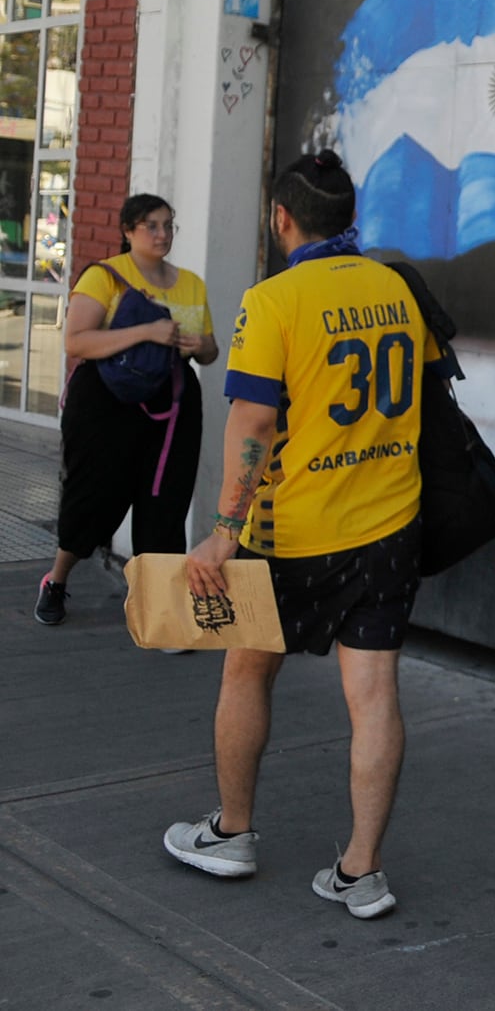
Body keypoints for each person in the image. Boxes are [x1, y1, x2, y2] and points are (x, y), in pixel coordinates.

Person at [162, 151, 446, 923]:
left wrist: (223, 532)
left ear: (281, 218)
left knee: (246, 673)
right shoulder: (397, 287)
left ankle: (232, 833)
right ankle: (362, 871)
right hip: (390, 524)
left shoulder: (273, 300)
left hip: (289, 531)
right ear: (348, 217)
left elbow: (254, 422)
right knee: (374, 695)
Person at [36, 195, 219, 626]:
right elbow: (76, 341)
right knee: (93, 498)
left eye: (168, 225)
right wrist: (148, 331)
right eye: (151, 225)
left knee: (165, 503)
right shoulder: (105, 277)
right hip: (106, 403)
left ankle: (161, 611)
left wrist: (201, 345)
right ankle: (57, 580)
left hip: (171, 407)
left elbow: (210, 351)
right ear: (127, 231)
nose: (162, 234)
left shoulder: (191, 284)